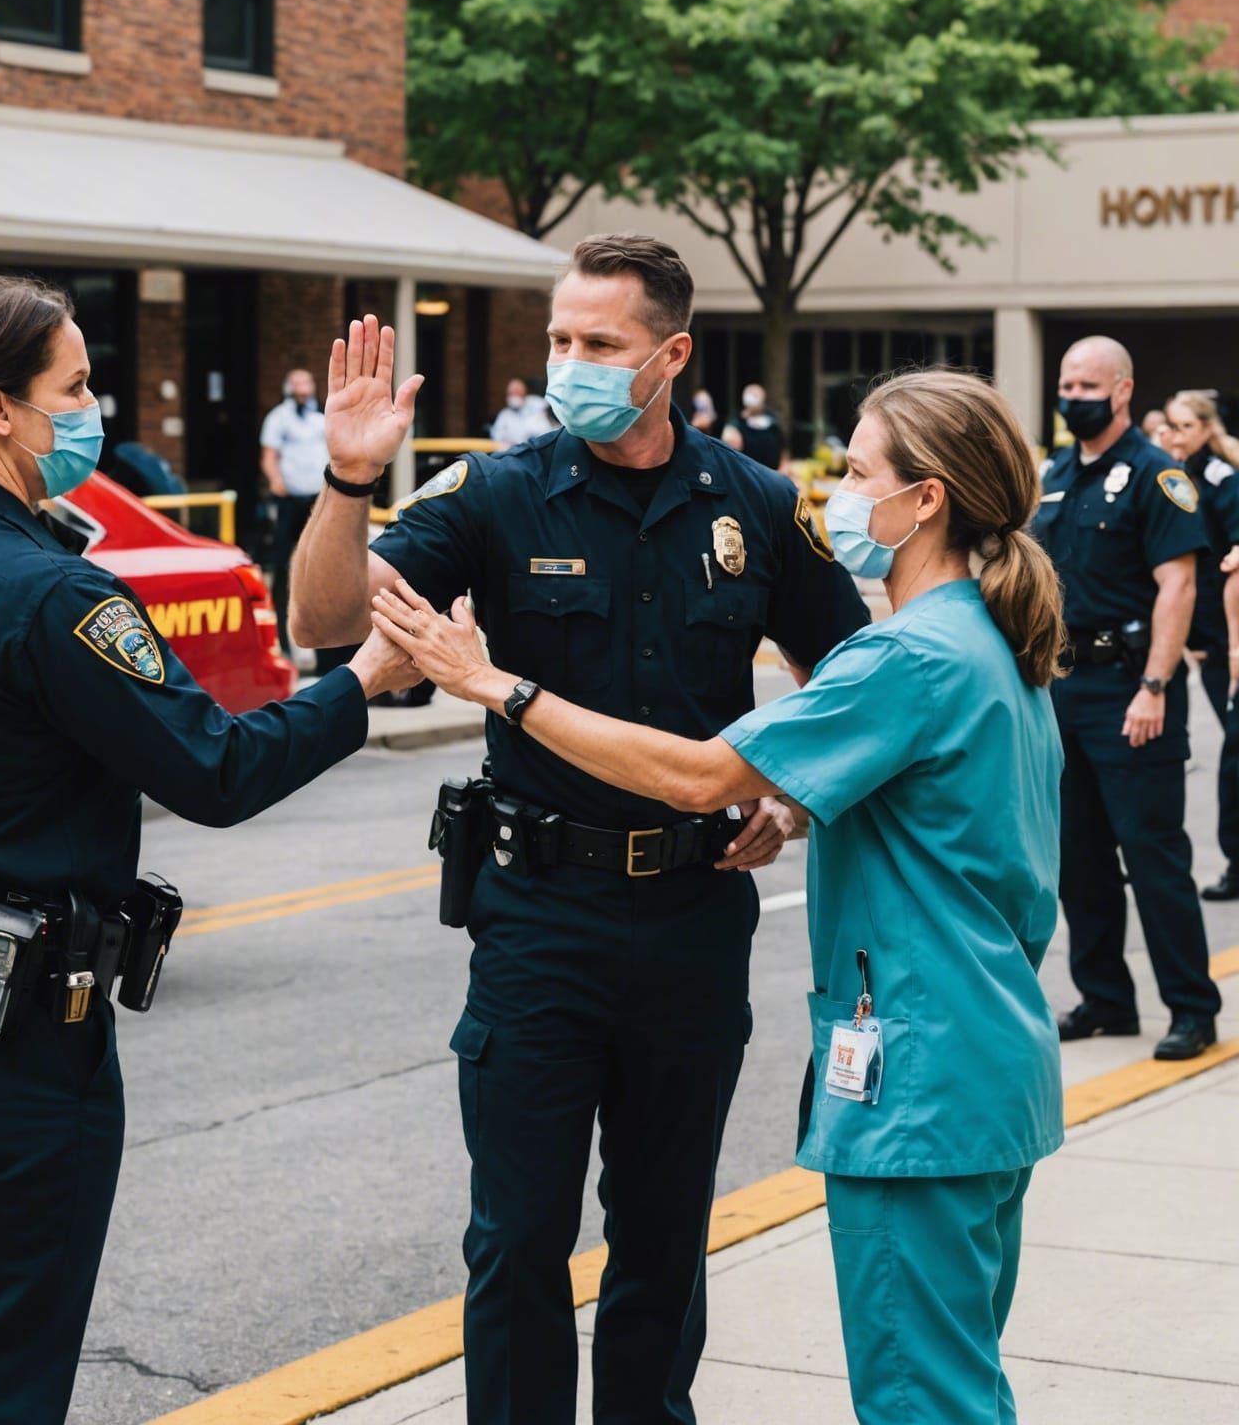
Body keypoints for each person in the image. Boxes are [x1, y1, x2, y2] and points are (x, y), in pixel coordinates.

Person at [372, 368, 1066, 1425]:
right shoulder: (995, 644)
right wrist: (797, 808)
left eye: (860, 470)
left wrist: (496, 686)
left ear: (927, 500)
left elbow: (700, 777)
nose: (839, 492)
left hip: (921, 1076)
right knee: (958, 1373)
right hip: (988, 1058)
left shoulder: (908, 656)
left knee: (921, 1395)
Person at [0, 274, 416, 1425]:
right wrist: (364, 684)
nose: (95, 412)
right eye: (76, 387)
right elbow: (218, 773)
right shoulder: (50, 592)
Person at [288, 233, 869, 1424]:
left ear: (671, 357)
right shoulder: (497, 491)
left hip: (693, 923)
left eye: (597, 344)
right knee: (517, 1242)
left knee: (663, 1243)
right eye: (560, 339)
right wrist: (348, 484)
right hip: (538, 922)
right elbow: (323, 617)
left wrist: (788, 792)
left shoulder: (755, 504)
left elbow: (848, 680)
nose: (569, 362)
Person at [1033, 336, 1221, 1060]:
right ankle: (1106, 999)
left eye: (1087, 386)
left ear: (1122, 390)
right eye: (1066, 384)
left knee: (1152, 856)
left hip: (1129, 687)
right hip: (1062, 687)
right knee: (1077, 858)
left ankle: (1192, 1009)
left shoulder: (1157, 475)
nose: (1073, 396)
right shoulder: (1056, 474)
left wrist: (1155, 685)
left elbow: (1179, 584)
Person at [1162, 390, 1239, 900]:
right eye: (1171, 425)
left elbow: (1230, 563)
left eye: (1186, 426)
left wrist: (1227, 646)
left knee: (1234, 755)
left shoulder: (1220, 480)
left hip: (1225, 641)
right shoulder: (1176, 478)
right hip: (1208, 642)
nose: (1175, 434)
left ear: (1207, 429)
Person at [260, 368, 329, 656]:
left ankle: (322, 640)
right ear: (290, 388)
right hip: (290, 500)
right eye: (298, 384)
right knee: (283, 565)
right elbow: (269, 456)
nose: (304, 389)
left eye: (307, 383)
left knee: (320, 564)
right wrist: (276, 481)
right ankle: (283, 640)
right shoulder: (279, 418)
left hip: (317, 499)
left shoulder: (319, 418)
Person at [736, 382, 790, 472]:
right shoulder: (737, 423)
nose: (754, 398)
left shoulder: (772, 423)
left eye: (757, 395)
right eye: (751, 395)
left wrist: (783, 469)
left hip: (773, 475)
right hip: (748, 474)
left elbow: (784, 449)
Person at [489, 377, 553, 446]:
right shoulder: (504, 414)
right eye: (511, 393)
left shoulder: (537, 404)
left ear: (524, 391)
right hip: (513, 452)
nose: (514, 396)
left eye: (517, 391)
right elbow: (496, 436)